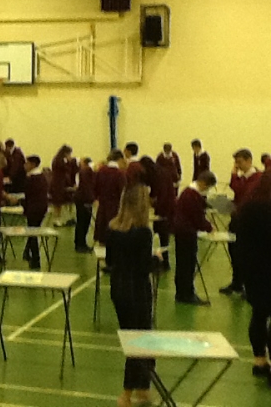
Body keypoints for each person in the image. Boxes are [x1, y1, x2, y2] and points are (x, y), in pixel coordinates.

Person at [106, 172, 158, 407]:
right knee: (140, 340)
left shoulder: (113, 228)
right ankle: (126, 394)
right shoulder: (144, 233)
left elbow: (109, 261)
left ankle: (143, 388)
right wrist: (156, 259)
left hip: (118, 288)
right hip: (137, 290)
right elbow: (144, 267)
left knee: (134, 338)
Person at [237, 171, 271, 383]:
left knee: (259, 314)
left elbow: (240, 241)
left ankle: (259, 360)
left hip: (253, 272)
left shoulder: (247, 208)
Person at [221, 149, 262, 296]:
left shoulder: (256, 177)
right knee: (234, 251)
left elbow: (241, 191)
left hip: (249, 222)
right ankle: (237, 282)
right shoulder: (243, 177)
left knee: (247, 255)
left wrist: (233, 175)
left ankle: (249, 286)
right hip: (237, 218)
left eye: (239, 162)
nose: (237, 166)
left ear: (249, 161)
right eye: (235, 163)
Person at [173, 170, 217, 305]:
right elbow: (197, 218)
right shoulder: (192, 195)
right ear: (203, 183)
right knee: (187, 265)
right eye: (208, 187)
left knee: (182, 264)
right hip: (186, 233)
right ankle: (187, 293)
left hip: (181, 232)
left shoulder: (188, 192)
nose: (207, 190)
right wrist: (209, 227)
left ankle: (181, 292)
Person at [141, 156, 176, 271]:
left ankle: (163, 262)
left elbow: (161, 194)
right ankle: (162, 261)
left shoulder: (158, 175)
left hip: (165, 208)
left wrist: (153, 204)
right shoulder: (160, 172)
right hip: (166, 207)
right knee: (162, 235)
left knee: (162, 234)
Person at [93, 149, 126, 245]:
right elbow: (123, 191)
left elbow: (95, 187)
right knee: (114, 231)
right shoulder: (119, 173)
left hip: (102, 204)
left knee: (102, 229)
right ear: (120, 159)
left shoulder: (101, 170)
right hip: (115, 205)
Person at [23, 156, 49, 270]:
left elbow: (28, 195)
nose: (25, 165)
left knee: (33, 233)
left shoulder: (31, 178)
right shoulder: (42, 176)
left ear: (33, 165)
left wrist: (25, 208)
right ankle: (26, 251)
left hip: (33, 208)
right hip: (42, 208)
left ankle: (36, 259)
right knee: (34, 230)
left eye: (27, 163)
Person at [74, 157, 95, 253]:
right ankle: (81, 244)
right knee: (84, 223)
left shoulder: (82, 172)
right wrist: (90, 200)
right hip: (85, 200)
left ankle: (80, 243)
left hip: (81, 199)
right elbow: (87, 188)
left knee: (81, 223)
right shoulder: (87, 172)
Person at [50, 145, 73, 227]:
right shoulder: (61, 161)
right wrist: (69, 162)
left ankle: (58, 219)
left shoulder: (56, 159)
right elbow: (67, 170)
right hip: (59, 184)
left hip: (57, 183)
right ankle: (58, 219)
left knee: (58, 203)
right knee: (58, 203)